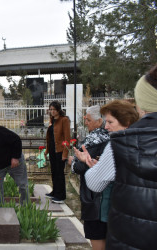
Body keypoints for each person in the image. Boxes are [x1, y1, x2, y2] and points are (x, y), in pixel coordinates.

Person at [82, 66, 157, 249]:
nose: (106, 127)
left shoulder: (121, 144)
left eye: (110, 122)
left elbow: (95, 182)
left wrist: (92, 167)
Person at [68, 105, 110, 250]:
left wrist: (72, 163)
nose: (86, 122)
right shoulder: (112, 138)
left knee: (98, 238)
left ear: (99, 121)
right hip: (108, 198)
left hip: (94, 198)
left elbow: (81, 167)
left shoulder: (95, 139)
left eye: (88, 120)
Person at [44, 101, 71, 204]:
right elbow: (49, 138)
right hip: (52, 150)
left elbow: (67, 138)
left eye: (54, 109)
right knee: (54, 172)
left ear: (58, 110)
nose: (52, 111)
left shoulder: (64, 120)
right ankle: (55, 192)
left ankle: (61, 195)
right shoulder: (52, 120)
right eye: (50, 110)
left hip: (60, 150)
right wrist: (47, 150)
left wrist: (65, 154)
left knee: (60, 173)